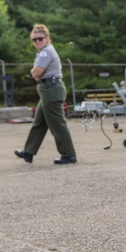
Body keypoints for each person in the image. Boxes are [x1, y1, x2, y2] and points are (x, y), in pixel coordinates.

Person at [13, 24, 77, 165]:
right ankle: (28, 152)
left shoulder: (45, 52)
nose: (37, 42)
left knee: (57, 124)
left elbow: (36, 73)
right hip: (48, 89)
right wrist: (34, 72)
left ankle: (68, 154)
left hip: (51, 89)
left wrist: (33, 72)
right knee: (39, 122)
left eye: (40, 39)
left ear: (47, 38)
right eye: (34, 40)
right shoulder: (43, 51)